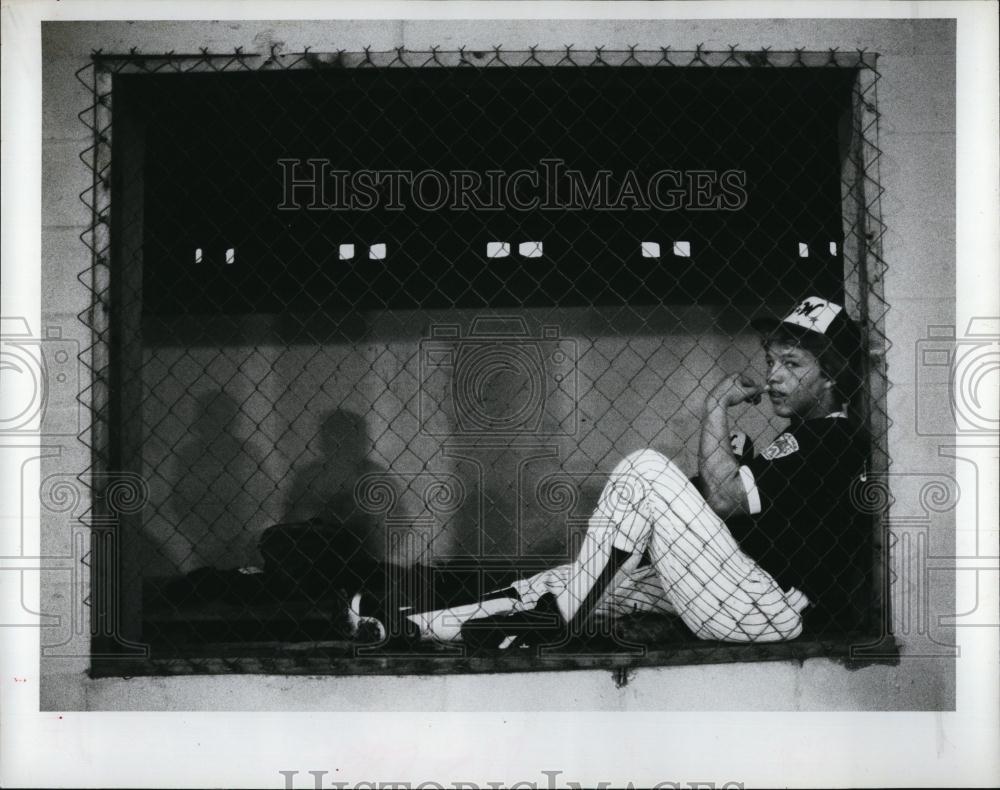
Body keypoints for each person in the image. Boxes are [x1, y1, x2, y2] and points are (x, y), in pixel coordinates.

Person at [349, 296, 871, 647]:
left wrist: (716, 407)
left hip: (770, 608)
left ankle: (558, 619)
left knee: (644, 470)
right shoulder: (800, 440)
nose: (774, 375)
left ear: (831, 378)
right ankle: (411, 628)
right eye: (772, 360)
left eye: (793, 364)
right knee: (568, 581)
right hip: (731, 589)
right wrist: (739, 457)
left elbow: (726, 502)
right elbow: (739, 509)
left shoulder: (836, 437)